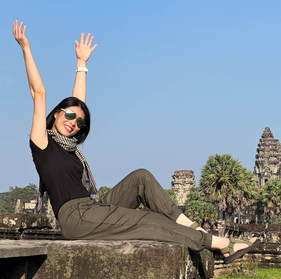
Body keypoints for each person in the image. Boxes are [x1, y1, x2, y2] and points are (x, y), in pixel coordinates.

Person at [13, 20, 259, 264]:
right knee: (148, 220)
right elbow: (39, 93)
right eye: (68, 116)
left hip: (92, 207)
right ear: (56, 113)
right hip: (75, 218)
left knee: (141, 177)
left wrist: (82, 65)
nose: (73, 123)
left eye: (80, 122)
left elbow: (80, 105)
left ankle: (192, 227)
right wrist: (26, 48)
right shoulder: (43, 145)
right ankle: (221, 244)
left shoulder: (70, 147)